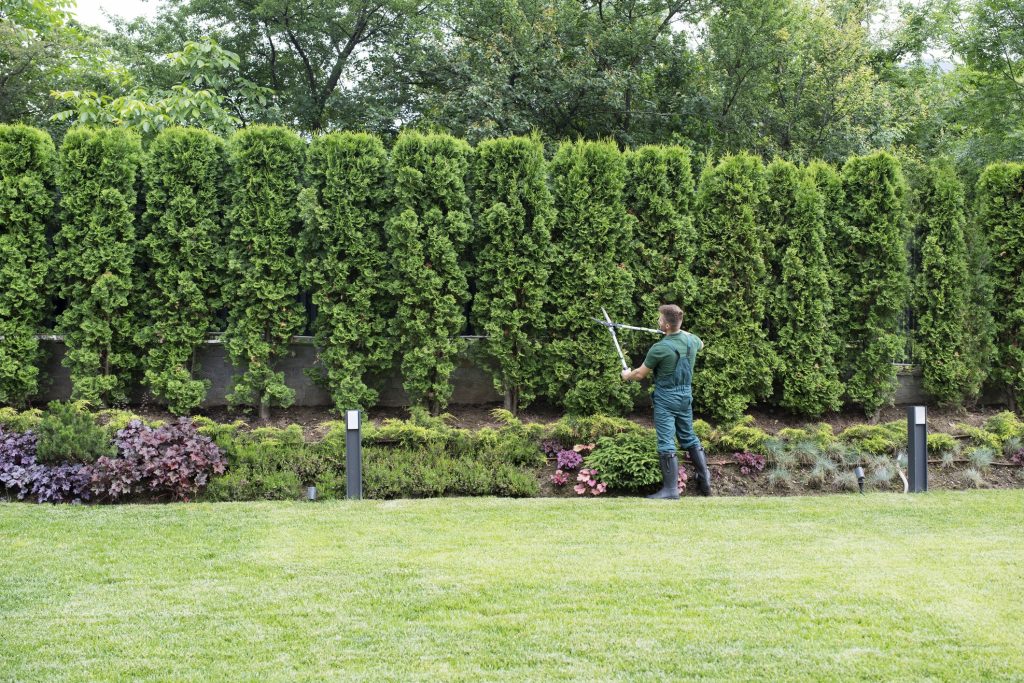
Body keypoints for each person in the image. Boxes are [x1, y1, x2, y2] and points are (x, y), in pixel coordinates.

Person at [620, 304, 711, 498]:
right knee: (688, 436)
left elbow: (640, 375)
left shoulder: (659, 348)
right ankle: (705, 480)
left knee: (666, 441)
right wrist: (679, 330)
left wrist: (626, 375)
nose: (658, 322)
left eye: (660, 319)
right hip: (685, 396)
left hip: (666, 398)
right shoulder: (692, 341)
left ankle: (670, 490)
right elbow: (701, 343)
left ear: (667, 325)